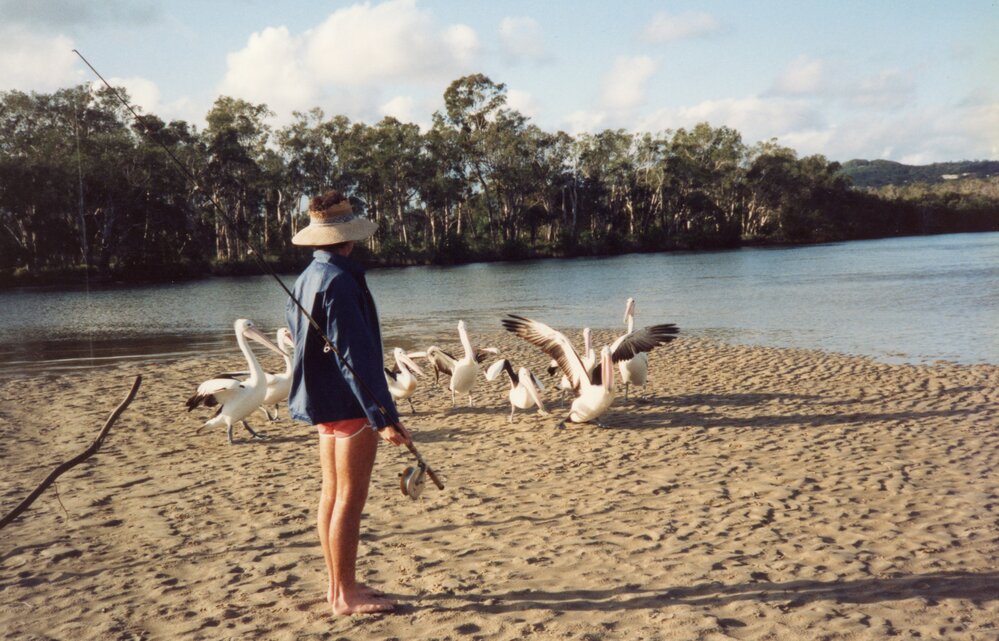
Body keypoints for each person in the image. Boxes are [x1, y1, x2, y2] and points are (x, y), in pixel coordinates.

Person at [286, 190, 412, 616]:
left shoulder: (308, 277)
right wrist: (383, 417)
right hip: (350, 405)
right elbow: (356, 356)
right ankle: (344, 595)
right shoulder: (340, 279)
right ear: (348, 237)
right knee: (349, 499)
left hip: (326, 404)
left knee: (332, 494)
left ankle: (339, 584)